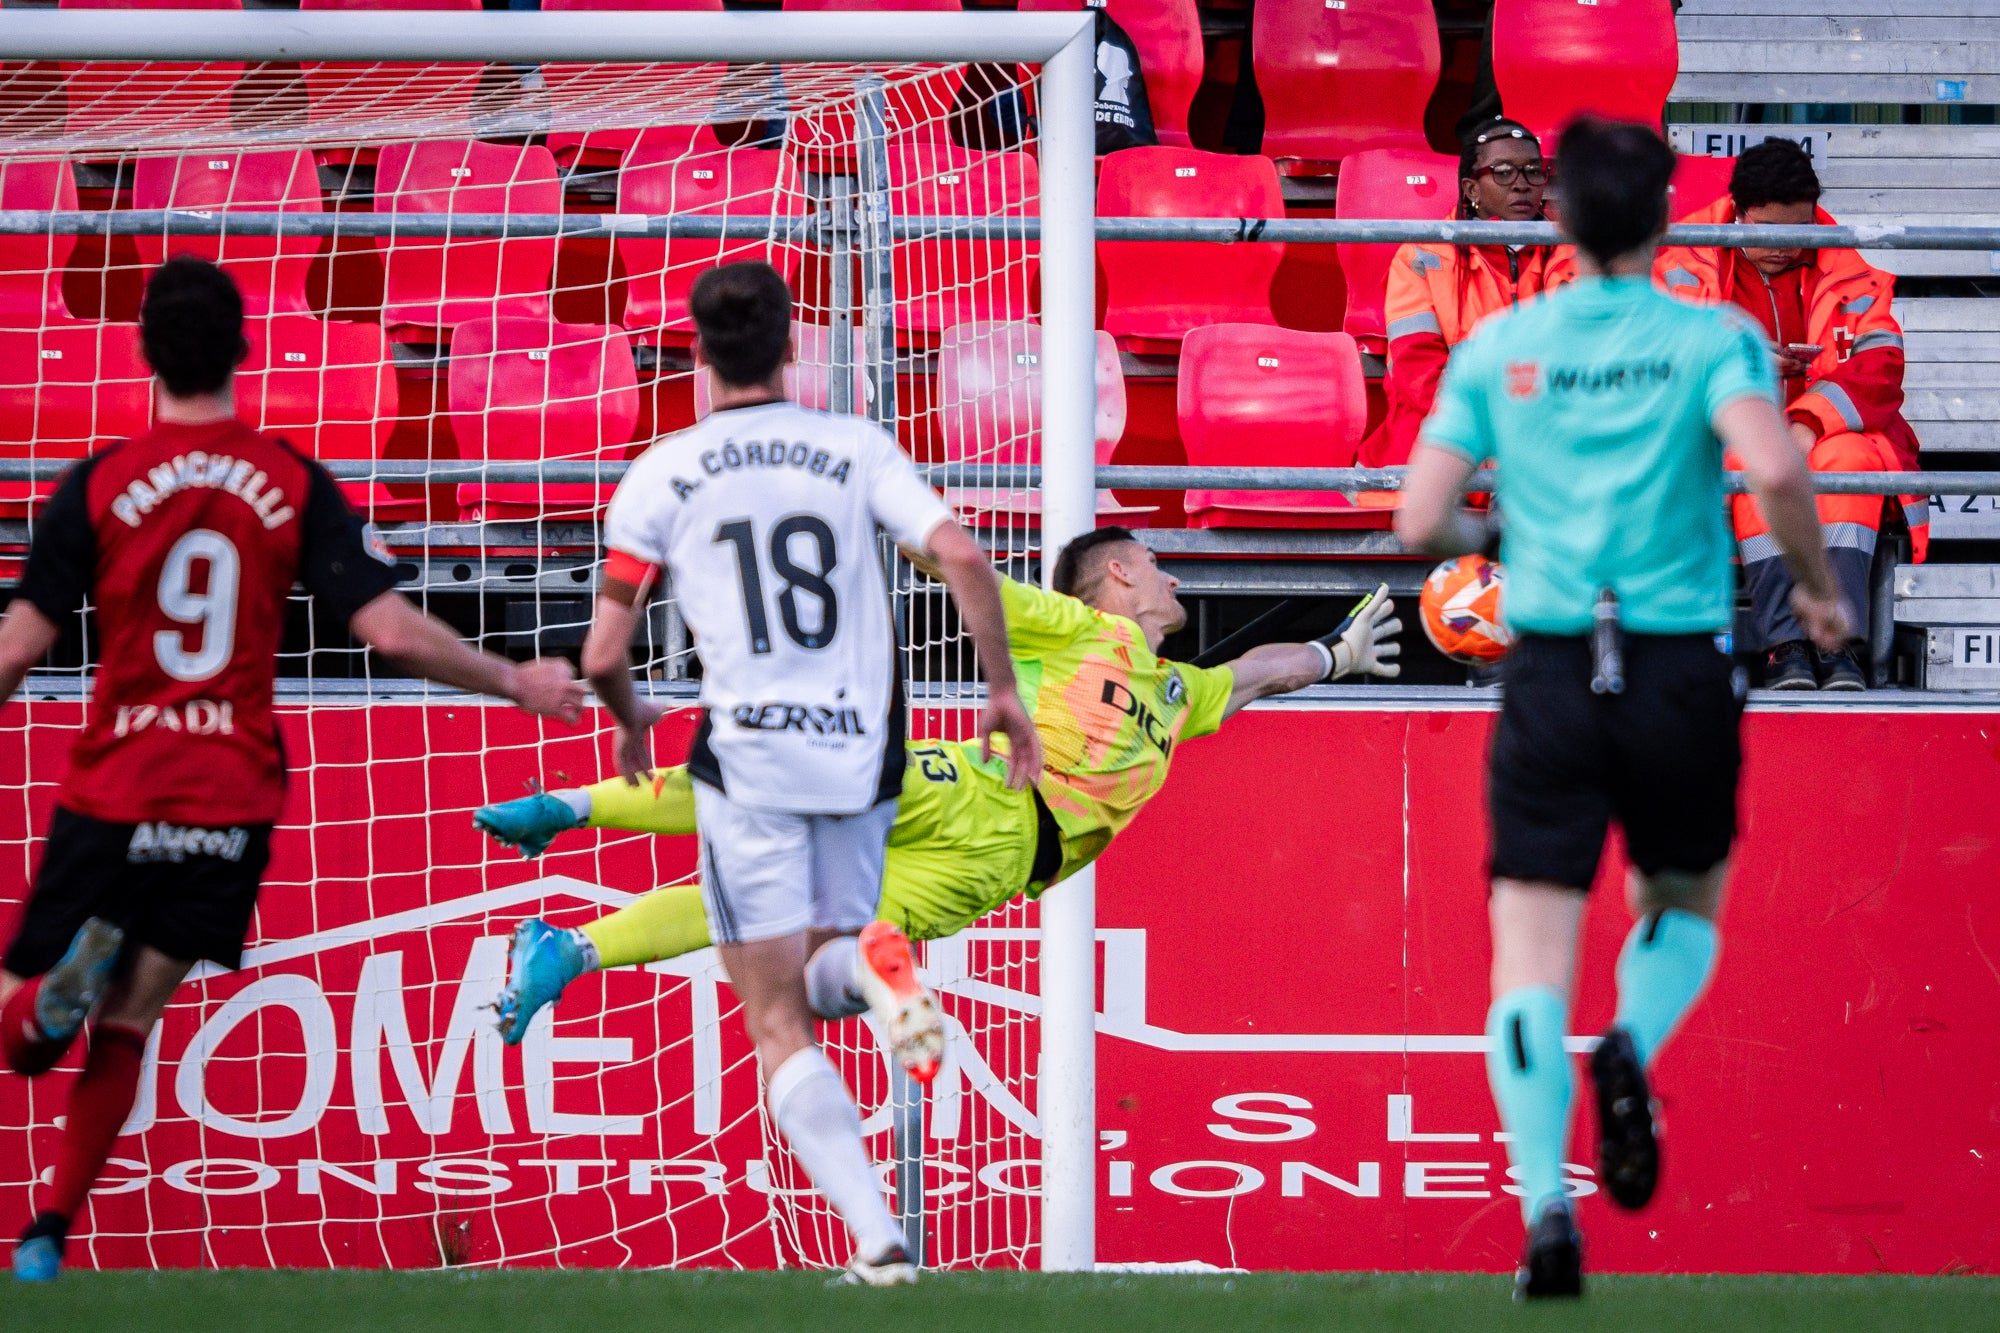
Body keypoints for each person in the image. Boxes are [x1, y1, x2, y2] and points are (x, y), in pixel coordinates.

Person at [0, 257, 585, 1283]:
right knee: (130, 1021)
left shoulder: (95, 482)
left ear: (142, 353)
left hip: (115, 781)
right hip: (230, 793)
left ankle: (61, 988)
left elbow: (17, 650)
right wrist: (512, 677)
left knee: (25, 1042)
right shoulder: (286, 480)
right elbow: (391, 631)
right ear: (243, 350)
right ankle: (49, 1230)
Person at [1394, 120, 1853, 1300]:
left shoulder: (1503, 344)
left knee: (1525, 959)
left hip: (1547, 661)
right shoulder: (1712, 336)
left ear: (1558, 219)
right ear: (1661, 221)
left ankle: (1545, 1209)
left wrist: (1495, 542)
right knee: (1680, 896)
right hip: (1678, 663)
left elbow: (1416, 521)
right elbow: (1777, 472)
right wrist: (1810, 589)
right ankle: (1633, 1046)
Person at [576, 260, 1039, 1287]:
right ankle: (878, 972)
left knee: (774, 1016)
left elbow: (604, 654)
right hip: (862, 749)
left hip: (749, 755)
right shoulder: (853, 446)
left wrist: (628, 717)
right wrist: (1000, 689)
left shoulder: (664, 468)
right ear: (793, 344)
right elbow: (960, 553)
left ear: (694, 352)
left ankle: (877, 1242)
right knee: (829, 964)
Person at [478, 530, 1403, 1040]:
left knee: (769, 919)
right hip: (979, 790)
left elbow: (1258, 674)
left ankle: (571, 950)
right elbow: (967, 574)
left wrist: (1335, 652)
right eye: (1155, 560)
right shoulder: (1077, 627)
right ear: (1118, 574)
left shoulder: (1181, 689)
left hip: (998, 866)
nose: (1169, 573)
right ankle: (568, 808)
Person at [1656, 137, 1923, 690]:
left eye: (1798, 231)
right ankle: (1787, 645)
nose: (1784, 246)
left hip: (1825, 434)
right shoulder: (1679, 266)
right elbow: (1662, 368)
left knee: (1849, 456)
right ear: (1738, 212)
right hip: (1723, 429)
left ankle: (1839, 643)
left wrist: (1806, 422)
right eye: (1768, 232)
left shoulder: (1850, 270)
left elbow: (1880, 369)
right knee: (1757, 453)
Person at [1365, 119, 1575, 468]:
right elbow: (1419, 377)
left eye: (1533, 172)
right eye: (1504, 172)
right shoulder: (1422, 257)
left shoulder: (1574, 254)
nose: (1522, 185)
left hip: (1540, 450)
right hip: (1442, 451)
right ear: (1471, 189)